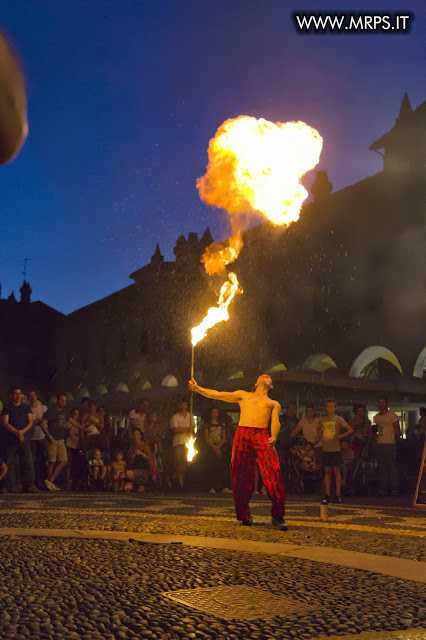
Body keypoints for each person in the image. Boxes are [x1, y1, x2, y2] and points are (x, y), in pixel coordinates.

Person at [189, 374, 287, 530]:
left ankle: (278, 515)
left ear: (271, 386)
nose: (265, 376)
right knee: (241, 474)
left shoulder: (273, 403)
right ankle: (244, 514)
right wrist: (197, 388)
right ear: (256, 382)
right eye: (262, 376)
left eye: (268, 377)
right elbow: (218, 394)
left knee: (272, 471)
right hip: (242, 434)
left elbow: (275, 421)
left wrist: (274, 435)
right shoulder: (243, 395)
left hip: (261, 434)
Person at [317, 398, 353, 504]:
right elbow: (319, 431)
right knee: (327, 471)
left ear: (335, 408)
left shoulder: (338, 419)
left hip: (335, 448)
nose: (330, 408)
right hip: (326, 447)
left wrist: (341, 436)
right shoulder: (322, 419)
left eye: (332, 406)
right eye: (328, 406)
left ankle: (338, 495)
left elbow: (350, 429)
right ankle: (327, 494)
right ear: (326, 408)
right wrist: (319, 435)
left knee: (336, 471)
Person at [1, 387, 35, 493]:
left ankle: (28, 485)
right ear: (11, 396)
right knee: (9, 462)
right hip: (10, 440)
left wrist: (22, 432)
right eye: (16, 394)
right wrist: (16, 432)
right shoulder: (7, 408)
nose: (18, 396)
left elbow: (30, 421)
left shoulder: (26, 407)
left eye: (20, 393)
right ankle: (7, 485)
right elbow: (5, 423)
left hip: (24, 438)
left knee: (27, 462)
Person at [41, 394, 68, 491]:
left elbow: (71, 422)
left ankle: (50, 481)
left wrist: (84, 428)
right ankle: (49, 484)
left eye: (65, 400)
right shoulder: (51, 411)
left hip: (61, 439)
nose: (63, 402)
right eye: (61, 400)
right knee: (52, 461)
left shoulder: (65, 412)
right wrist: (49, 436)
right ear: (57, 400)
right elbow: (43, 424)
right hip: (52, 439)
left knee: (64, 460)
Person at [374, 396, 400, 496]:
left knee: (391, 466)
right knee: (382, 467)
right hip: (380, 443)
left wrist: (394, 439)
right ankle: (384, 488)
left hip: (389, 443)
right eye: (380, 402)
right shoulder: (377, 416)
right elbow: (378, 428)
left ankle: (394, 488)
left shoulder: (392, 415)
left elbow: (397, 429)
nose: (381, 404)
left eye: (383, 402)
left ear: (386, 403)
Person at [204, 407, 230, 494]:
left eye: (216, 412)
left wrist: (218, 446)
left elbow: (223, 437)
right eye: (213, 412)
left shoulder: (221, 425)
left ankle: (223, 486)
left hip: (220, 447)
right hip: (211, 448)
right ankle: (212, 486)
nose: (215, 414)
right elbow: (206, 438)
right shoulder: (207, 424)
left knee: (221, 467)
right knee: (212, 467)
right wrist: (213, 447)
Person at [170, 400, 194, 491]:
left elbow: (192, 429)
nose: (183, 406)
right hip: (178, 442)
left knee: (187, 462)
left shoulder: (190, 415)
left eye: (184, 404)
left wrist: (183, 429)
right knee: (179, 462)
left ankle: (175, 476)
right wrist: (187, 429)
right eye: (181, 404)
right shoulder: (175, 417)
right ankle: (180, 484)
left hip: (188, 442)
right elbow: (176, 430)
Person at [28, 391, 47, 490]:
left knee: (42, 460)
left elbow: (45, 422)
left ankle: (41, 481)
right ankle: (34, 482)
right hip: (32, 438)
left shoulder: (43, 408)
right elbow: (30, 424)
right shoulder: (27, 409)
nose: (32, 397)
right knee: (33, 461)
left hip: (42, 437)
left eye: (34, 395)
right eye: (30, 396)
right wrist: (38, 420)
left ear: (37, 396)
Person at [65, 408, 85, 490]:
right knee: (68, 465)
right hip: (69, 445)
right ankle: (68, 482)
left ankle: (75, 482)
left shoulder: (79, 424)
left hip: (77, 446)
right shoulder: (68, 423)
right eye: (74, 413)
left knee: (77, 465)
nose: (75, 415)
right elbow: (66, 433)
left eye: (77, 414)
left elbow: (81, 436)